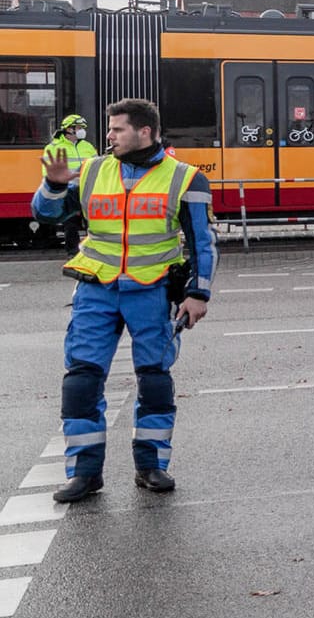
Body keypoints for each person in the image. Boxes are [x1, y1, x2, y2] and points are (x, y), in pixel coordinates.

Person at [33, 98, 216, 502]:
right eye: (109, 129)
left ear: (145, 132)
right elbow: (45, 215)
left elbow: (203, 243)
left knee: (154, 380)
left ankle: (151, 466)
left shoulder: (185, 178)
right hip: (97, 288)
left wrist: (197, 293)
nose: (109, 136)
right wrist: (56, 184)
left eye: (117, 130)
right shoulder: (94, 170)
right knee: (81, 380)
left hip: (151, 291)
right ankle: (84, 473)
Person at [42, 114, 97, 255]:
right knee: (70, 224)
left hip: (88, 190)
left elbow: (97, 167)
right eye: (78, 127)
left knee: (92, 223)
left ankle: (94, 251)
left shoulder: (87, 146)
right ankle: (73, 253)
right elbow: (48, 172)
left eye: (82, 128)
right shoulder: (53, 148)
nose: (81, 130)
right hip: (68, 190)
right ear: (68, 129)